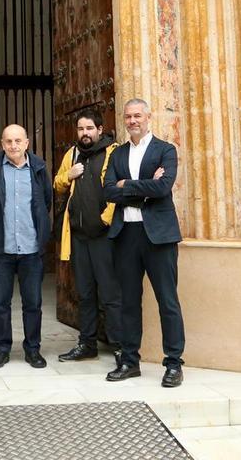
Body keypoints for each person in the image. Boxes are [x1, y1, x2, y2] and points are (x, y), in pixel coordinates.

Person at [103, 98, 184, 387]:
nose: (132, 121)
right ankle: (129, 361)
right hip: (126, 234)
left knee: (167, 301)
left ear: (148, 117)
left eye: (138, 115)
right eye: (128, 117)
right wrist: (143, 186)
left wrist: (128, 185)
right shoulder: (117, 154)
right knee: (128, 302)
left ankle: (174, 363)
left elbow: (163, 187)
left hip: (159, 236)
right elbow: (109, 192)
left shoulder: (165, 150)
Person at [0, 124, 53, 370]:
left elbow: (46, 202)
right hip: (1, 249)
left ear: (27, 143)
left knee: (33, 303)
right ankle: (2, 349)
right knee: (0, 303)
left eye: (18, 141)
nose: (13, 146)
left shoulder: (39, 169)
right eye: (8, 141)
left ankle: (33, 349)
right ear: (2, 143)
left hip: (31, 249)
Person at [54, 108, 123, 363]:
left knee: (110, 293)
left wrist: (106, 219)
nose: (85, 133)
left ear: (100, 130)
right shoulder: (71, 154)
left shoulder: (113, 153)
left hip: (104, 237)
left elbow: (120, 188)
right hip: (79, 237)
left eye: (89, 129)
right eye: (81, 129)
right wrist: (68, 176)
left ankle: (118, 345)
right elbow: (58, 183)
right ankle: (87, 343)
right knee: (84, 292)